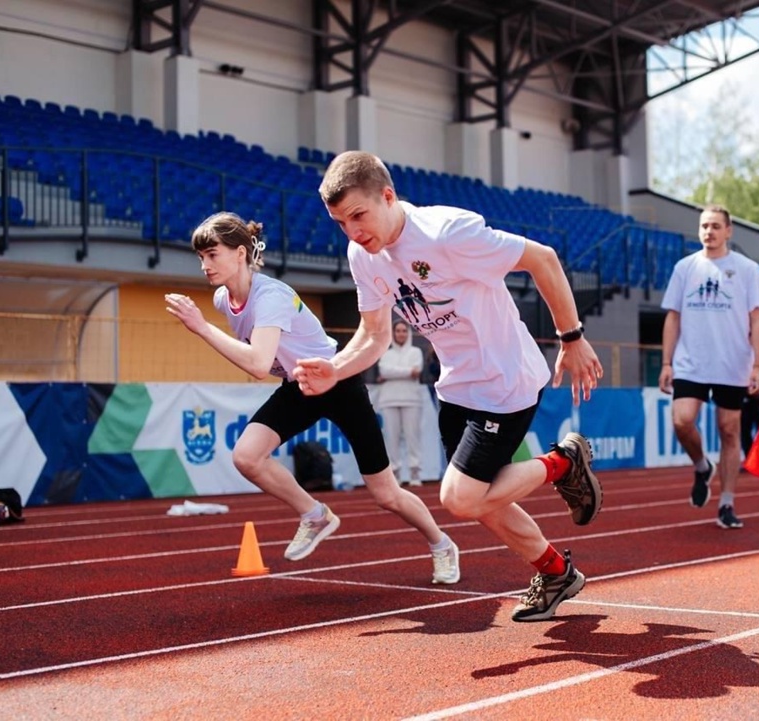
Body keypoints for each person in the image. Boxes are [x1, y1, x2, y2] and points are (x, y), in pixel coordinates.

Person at [293, 151, 604, 622]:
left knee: (460, 498)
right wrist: (336, 369)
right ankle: (557, 571)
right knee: (484, 500)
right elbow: (374, 336)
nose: (353, 232)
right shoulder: (364, 255)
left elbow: (543, 258)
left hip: (505, 381)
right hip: (456, 387)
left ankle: (564, 461)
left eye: (358, 215)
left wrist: (571, 337)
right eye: (340, 223)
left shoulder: (447, 233)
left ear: (388, 197)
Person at [164, 212, 461, 584]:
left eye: (212, 255)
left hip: (338, 382)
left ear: (240, 253)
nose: (205, 265)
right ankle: (315, 513)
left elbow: (257, 364)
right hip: (299, 385)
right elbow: (264, 359)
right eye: (201, 258)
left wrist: (201, 327)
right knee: (246, 456)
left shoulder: (269, 296)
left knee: (386, 494)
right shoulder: (225, 298)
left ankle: (441, 544)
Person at [659, 204, 759, 529]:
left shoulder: (747, 269)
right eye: (704, 226)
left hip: (733, 363)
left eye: (715, 226)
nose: (709, 231)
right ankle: (701, 465)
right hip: (691, 361)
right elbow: (673, 316)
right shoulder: (685, 267)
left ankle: (727, 502)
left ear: (728, 231)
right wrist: (666, 362)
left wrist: (758, 363)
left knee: (729, 430)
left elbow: (758, 319)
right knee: (681, 421)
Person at [377, 319, 425, 487]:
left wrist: (391, 373)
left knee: (413, 437)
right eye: (398, 331)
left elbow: (417, 370)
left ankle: (415, 473)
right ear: (393, 333)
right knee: (392, 439)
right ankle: (395, 474)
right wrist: (407, 372)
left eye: (404, 331)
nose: (401, 334)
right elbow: (384, 370)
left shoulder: (416, 351)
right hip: (389, 400)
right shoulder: (386, 353)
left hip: (411, 399)